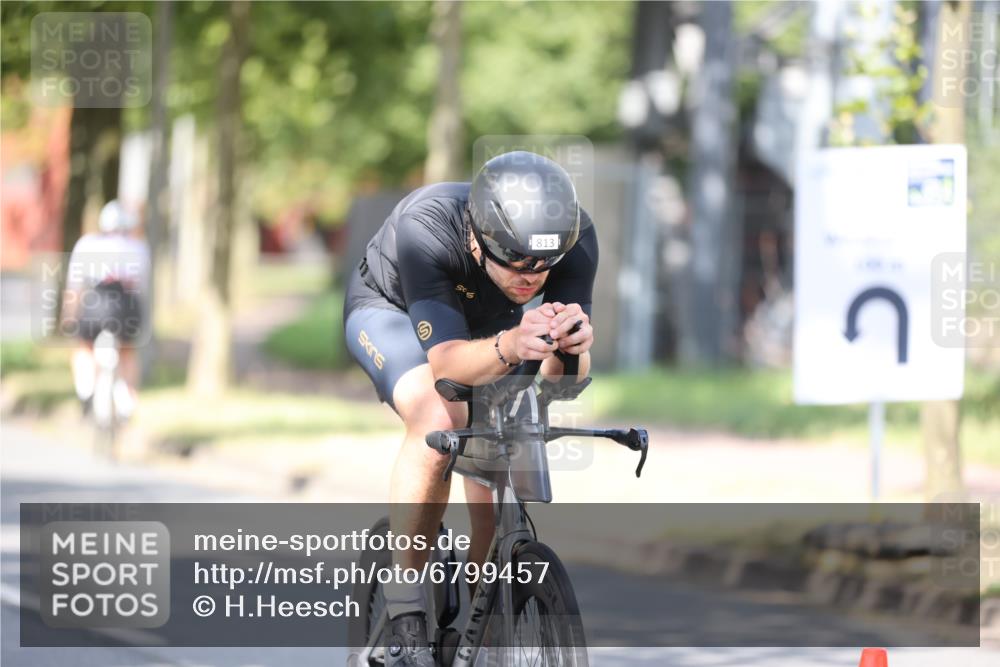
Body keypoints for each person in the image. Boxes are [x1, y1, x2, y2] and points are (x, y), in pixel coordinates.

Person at [343, 151, 598, 665]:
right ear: (476, 241)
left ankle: (481, 639)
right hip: (394, 314)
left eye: (543, 265)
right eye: (516, 261)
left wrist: (573, 350)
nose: (531, 276)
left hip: (494, 327)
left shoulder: (572, 240)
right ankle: (405, 606)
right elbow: (448, 369)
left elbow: (562, 385)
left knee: (500, 461)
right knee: (441, 418)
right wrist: (509, 347)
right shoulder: (428, 228)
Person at [62, 199, 150, 420]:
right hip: (126, 308)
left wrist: (69, 317)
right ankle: (128, 401)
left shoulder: (87, 244)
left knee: (83, 346)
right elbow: (141, 286)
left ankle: (86, 392)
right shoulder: (139, 247)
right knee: (128, 351)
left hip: (95, 305)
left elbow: (75, 286)